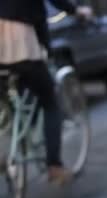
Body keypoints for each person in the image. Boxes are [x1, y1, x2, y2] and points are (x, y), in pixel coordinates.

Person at [0, 0, 91, 185]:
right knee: (50, 102)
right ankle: (54, 167)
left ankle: (15, 146)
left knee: (9, 99)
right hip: (19, 42)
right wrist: (77, 10)